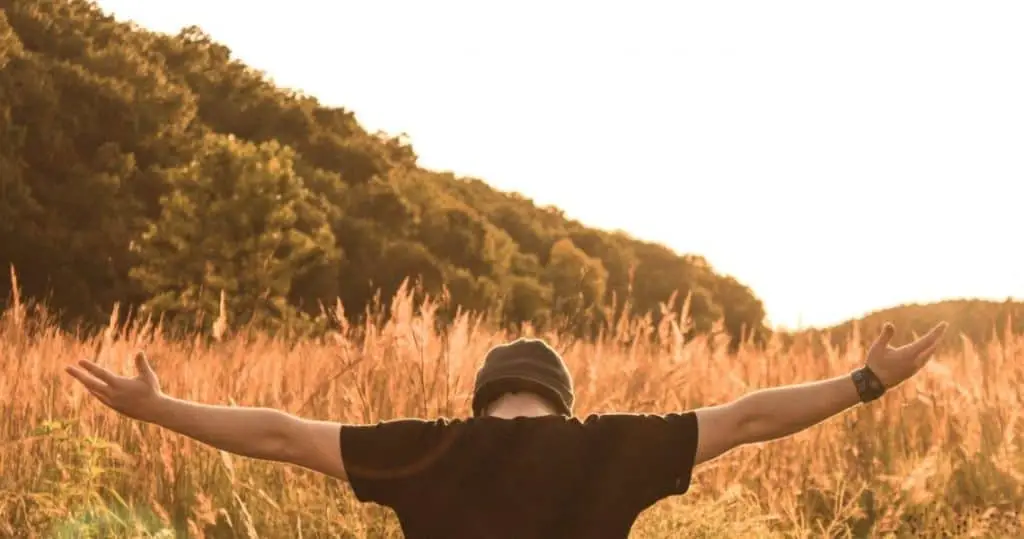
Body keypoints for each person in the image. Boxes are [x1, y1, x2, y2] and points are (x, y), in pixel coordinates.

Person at [65, 321, 948, 538]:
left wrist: (158, 407)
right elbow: (754, 414)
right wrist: (869, 378)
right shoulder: (611, 447)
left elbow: (283, 433)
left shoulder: (423, 448)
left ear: (483, 396)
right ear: (559, 400)